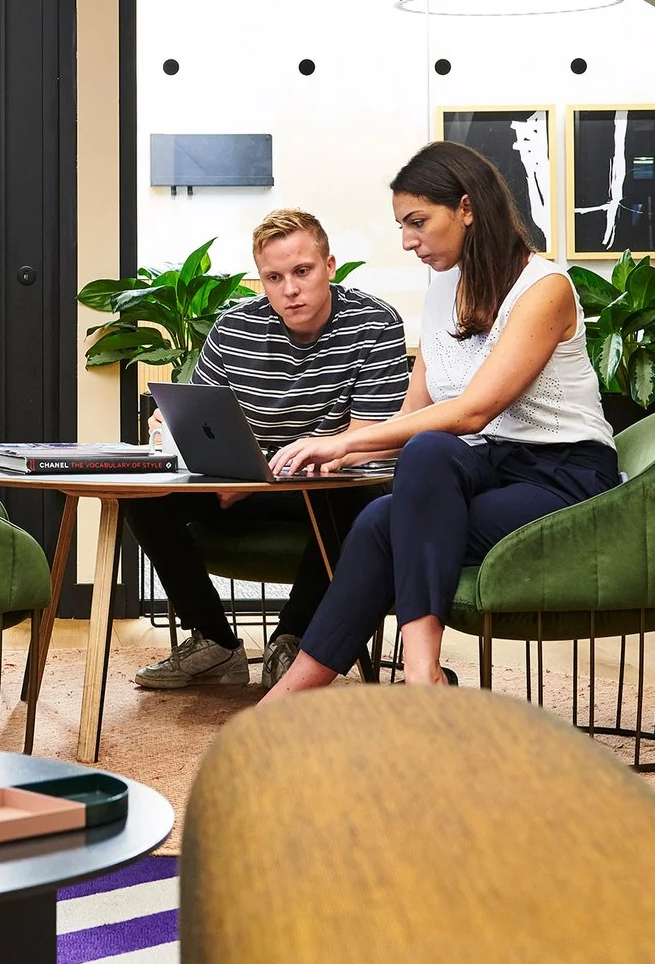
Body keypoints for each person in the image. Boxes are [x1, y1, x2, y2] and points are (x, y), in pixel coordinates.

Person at [264, 142, 617, 700]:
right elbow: (414, 415)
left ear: (468, 208)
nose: (408, 240)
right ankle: (291, 701)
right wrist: (324, 454)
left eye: (418, 222)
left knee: (395, 509)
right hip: (487, 466)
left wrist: (336, 442)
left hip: (563, 474)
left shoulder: (544, 288)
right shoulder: (439, 295)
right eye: (403, 225)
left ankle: (414, 677)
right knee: (398, 491)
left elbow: (474, 410)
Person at [126, 209, 409, 693]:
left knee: (360, 499)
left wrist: (261, 478)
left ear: (330, 266)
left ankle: (294, 639)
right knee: (141, 494)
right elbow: (200, 425)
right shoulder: (233, 329)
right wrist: (170, 429)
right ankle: (213, 640)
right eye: (274, 278)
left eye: (303, 271)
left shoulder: (375, 324)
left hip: (331, 486)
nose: (290, 289)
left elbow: (368, 446)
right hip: (242, 482)